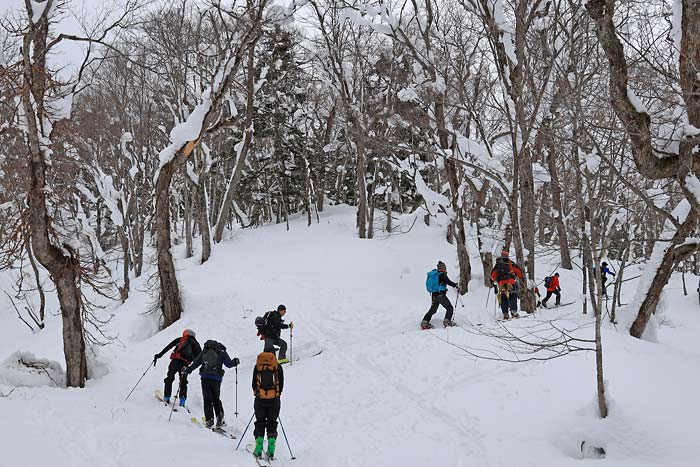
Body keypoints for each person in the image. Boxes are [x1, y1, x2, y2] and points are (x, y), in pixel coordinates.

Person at [183, 339, 239, 428]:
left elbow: (196, 363)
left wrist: (188, 370)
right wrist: (235, 361)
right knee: (216, 399)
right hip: (216, 379)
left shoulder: (205, 351)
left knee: (207, 400)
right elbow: (229, 364)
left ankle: (209, 420)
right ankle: (220, 417)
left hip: (205, 378)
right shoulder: (221, 351)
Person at [153, 329, 201, 406]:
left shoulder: (181, 339)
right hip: (185, 365)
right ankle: (182, 401)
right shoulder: (196, 344)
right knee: (183, 382)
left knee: (169, 378)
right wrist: (191, 368)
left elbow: (168, 347)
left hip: (175, 361)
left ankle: (167, 397)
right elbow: (199, 358)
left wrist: (159, 355)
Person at [252, 347, 284, 459]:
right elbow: (281, 385)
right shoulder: (277, 367)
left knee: (260, 422)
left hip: (260, 399)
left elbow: (253, 384)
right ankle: (271, 450)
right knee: (272, 423)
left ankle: (258, 448)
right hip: (274, 400)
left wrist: (259, 394)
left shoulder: (258, 366)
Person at [422, 261, 459, 329]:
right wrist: (456, 285)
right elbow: (448, 282)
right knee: (449, 308)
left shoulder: (436, 274)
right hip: (440, 295)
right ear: (444, 267)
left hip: (434, 295)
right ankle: (447, 321)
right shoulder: (442, 274)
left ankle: (425, 321)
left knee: (433, 309)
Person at [490, 251, 524, 320]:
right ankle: (513, 312)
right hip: (510, 282)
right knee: (512, 296)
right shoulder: (510, 262)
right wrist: (521, 277)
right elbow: (518, 271)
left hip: (501, 283)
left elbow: (493, 274)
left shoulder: (498, 264)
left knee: (503, 298)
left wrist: (495, 280)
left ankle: (505, 313)